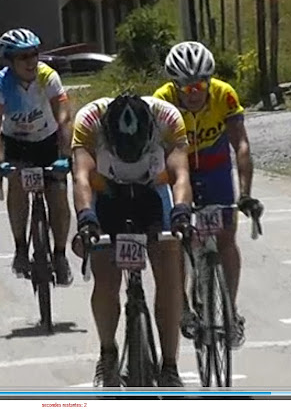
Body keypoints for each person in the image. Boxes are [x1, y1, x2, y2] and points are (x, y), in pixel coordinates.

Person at [71, 93, 193, 388]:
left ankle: (170, 366)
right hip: (107, 191)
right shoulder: (88, 121)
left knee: (170, 272)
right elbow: (81, 177)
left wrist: (181, 212)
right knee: (105, 277)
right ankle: (107, 353)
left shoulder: (167, 118)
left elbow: (180, 174)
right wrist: (86, 218)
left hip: (152, 191)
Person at [153, 41, 264, 349]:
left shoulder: (224, 95)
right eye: (186, 88)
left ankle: (230, 312)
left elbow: (241, 146)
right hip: (177, 169)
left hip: (215, 169)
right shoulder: (161, 101)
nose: (194, 93)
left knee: (226, 238)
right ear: (175, 86)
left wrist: (245, 194)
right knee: (175, 241)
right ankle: (183, 306)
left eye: (200, 85)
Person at [0, 28, 73, 285]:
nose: (31, 61)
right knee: (17, 187)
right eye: (23, 57)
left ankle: (60, 254)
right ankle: (21, 248)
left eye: (34, 54)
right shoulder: (0, 84)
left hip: (48, 142)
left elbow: (65, 118)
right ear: (9, 61)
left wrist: (65, 155)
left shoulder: (48, 77)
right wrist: (0, 163)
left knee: (58, 193)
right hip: (17, 144)